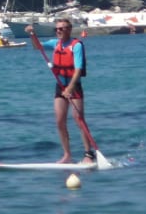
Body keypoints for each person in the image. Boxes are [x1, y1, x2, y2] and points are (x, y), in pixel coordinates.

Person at [26, 19, 96, 164]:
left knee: (78, 119)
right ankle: (67, 155)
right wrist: (32, 34)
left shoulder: (76, 46)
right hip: (60, 86)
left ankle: (89, 154)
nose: (58, 31)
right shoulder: (55, 43)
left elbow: (77, 70)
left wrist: (70, 88)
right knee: (59, 121)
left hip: (73, 86)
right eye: (57, 29)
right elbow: (37, 47)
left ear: (69, 30)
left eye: (62, 29)